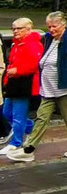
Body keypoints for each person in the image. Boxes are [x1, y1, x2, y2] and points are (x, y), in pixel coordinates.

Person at [7, 12, 67, 162]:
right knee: (41, 118)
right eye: (49, 26)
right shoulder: (49, 39)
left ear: (63, 24)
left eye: (55, 26)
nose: (51, 29)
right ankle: (28, 150)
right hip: (49, 89)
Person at [1, 18, 43, 155]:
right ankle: (31, 128)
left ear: (29, 29)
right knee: (6, 112)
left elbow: (34, 65)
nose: (15, 31)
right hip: (14, 83)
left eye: (19, 28)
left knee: (18, 115)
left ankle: (16, 143)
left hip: (25, 83)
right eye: (14, 29)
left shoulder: (33, 44)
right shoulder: (16, 44)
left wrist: (17, 71)